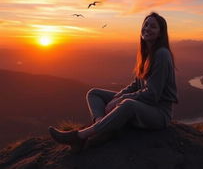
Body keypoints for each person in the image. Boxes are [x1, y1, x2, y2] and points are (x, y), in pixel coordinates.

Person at [49, 12, 178, 152]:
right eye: (145, 24)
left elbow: (153, 95)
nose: (147, 28)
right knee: (94, 94)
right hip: (144, 105)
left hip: (159, 114)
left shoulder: (161, 55)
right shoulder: (146, 53)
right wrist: (118, 97)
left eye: (153, 26)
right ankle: (102, 127)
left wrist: (121, 99)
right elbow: (136, 85)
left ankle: (79, 137)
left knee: (127, 104)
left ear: (160, 33)